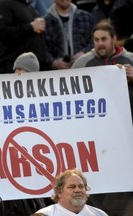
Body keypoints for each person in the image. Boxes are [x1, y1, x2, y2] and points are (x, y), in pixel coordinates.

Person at [71, 20, 133, 216]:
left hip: (127, 130)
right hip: (96, 133)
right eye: (96, 40)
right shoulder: (82, 63)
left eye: (104, 39)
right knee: (96, 177)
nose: (100, 44)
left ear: (114, 39)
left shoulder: (131, 60)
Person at [0, 0, 49, 73]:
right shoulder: (4, 5)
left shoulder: (30, 7)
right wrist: (30, 27)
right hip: (13, 67)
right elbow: (1, 32)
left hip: (33, 67)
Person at [44, 0, 94, 70]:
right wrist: (53, 62)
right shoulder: (45, 22)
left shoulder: (86, 17)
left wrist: (84, 53)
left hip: (84, 70)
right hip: (57, 74)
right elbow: (42, 48)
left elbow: (94, 40)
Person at [35, 168, 108, 215]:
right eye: (71, 187)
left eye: (81, 186)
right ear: (59, 192)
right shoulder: (45, 214)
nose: (77, 190)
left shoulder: (99, 214)